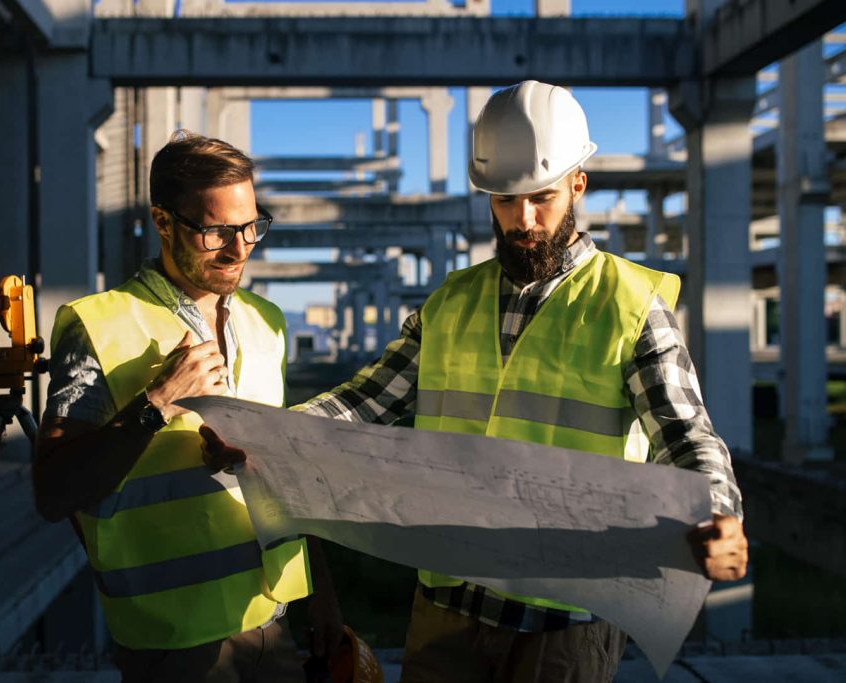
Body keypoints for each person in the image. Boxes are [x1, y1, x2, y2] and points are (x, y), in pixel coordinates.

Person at [204, 81, 748, 683]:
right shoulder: (453, 302)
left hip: (565, 620)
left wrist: (717, 510)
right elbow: (365, 402)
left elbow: (684, 432)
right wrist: (267, 439)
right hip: (448, 610)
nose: (524, 220)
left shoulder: (629, 304)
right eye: (504, 200)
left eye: (540, 197)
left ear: (577, 184)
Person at [32, 131, 342, 683]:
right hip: (174, 639)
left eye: (251, 226)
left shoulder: (266, 321)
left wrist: (321, 596)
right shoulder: (98, 324)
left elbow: (291, 468)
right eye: (215, 230)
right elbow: (54, 492)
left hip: (274, 615)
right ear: (163, 221)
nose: (239, 247)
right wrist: (154, 406)